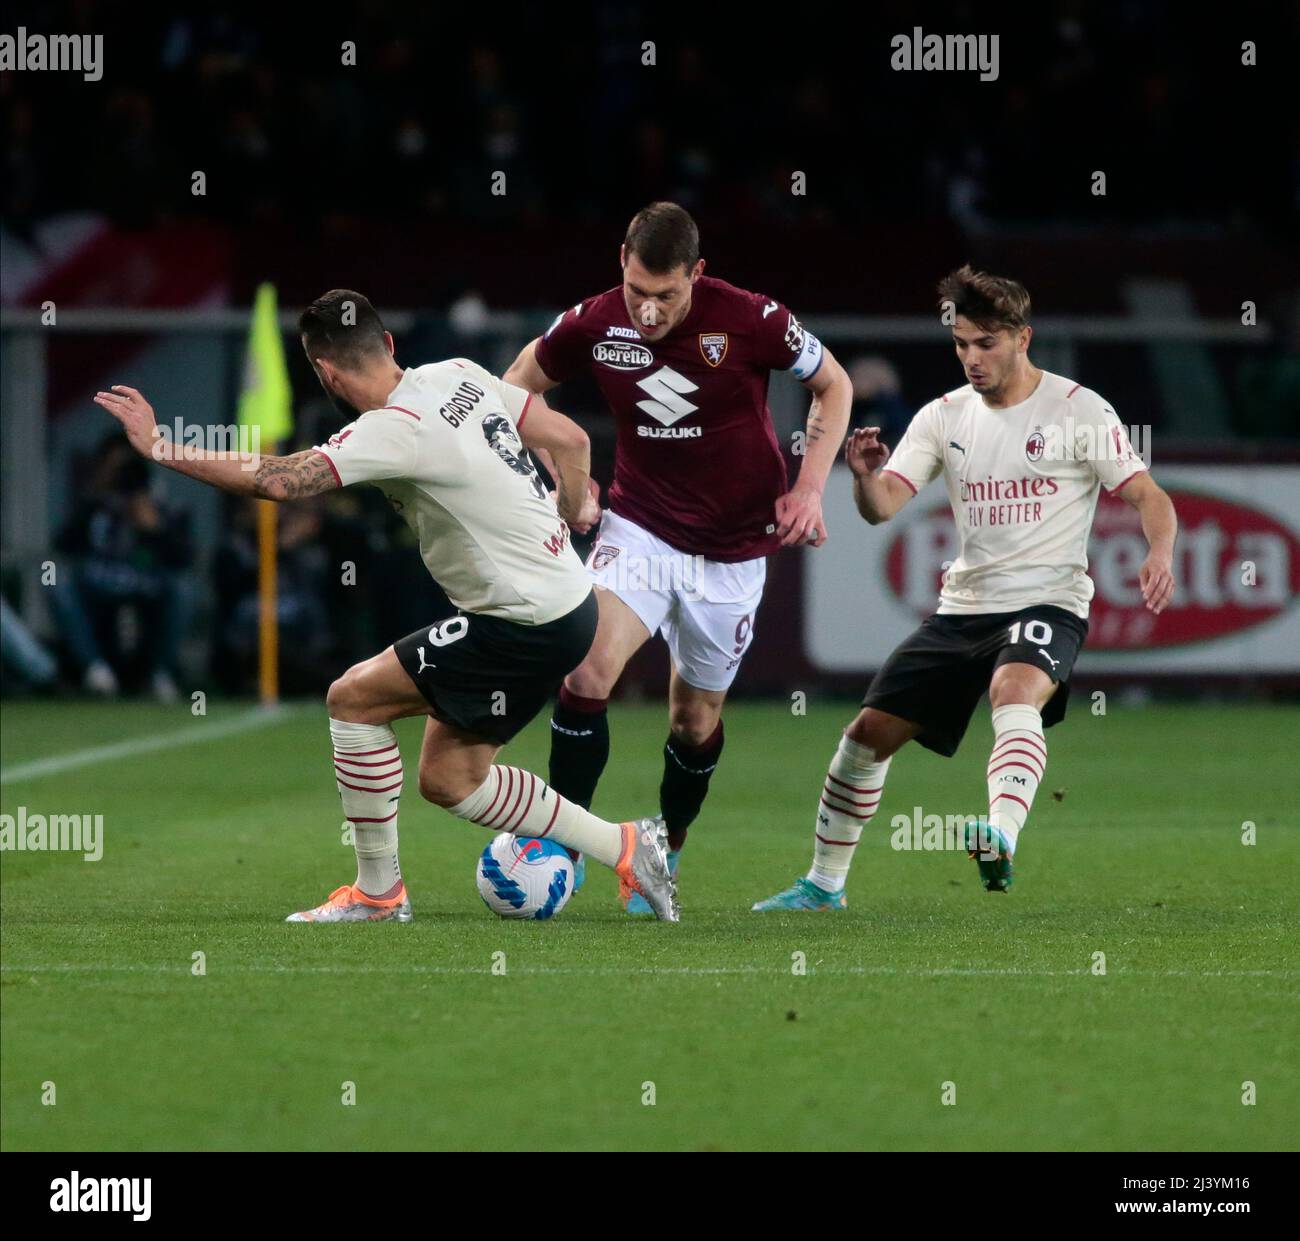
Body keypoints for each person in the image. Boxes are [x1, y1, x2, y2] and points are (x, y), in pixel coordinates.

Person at [94, 289, 678, 922]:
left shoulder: (388, 432)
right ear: (391, 345)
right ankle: (625, 844)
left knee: (352, 699)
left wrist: (159, 448)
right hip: (567, 603)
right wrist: (564, 520)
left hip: (521, 621)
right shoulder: (455, 374)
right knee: (450, 778)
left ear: (327, 373)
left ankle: (377, 893)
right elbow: (568, 438)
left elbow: (276, 480)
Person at [753, 265, 1178, 907]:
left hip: (1048, 602)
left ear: (1022, 338)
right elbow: (883, 507)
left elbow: (1149, 495)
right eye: (960, 344)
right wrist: (866, 479)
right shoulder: (941, 417)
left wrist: (1161, 551)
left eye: (985, 344)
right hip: (964, 609)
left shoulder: (1078, 409)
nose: (971, 359)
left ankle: (999, 835)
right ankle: (823, 885)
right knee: (865, 737)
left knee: (1014, 691)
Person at [504, 202, 852, 912]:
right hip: (640, 526)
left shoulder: (751, 318)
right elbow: (511, 388)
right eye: (638, 292)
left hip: (732, 550)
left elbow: (834, 383)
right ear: (621, 263)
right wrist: (560, 479)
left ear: (698, 273)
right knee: (587, 667)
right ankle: (561, 847)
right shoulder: (595, 321)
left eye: (667, 294)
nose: (651, 310)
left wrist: (811, 486)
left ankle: (665, 852)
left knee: (692, 721)